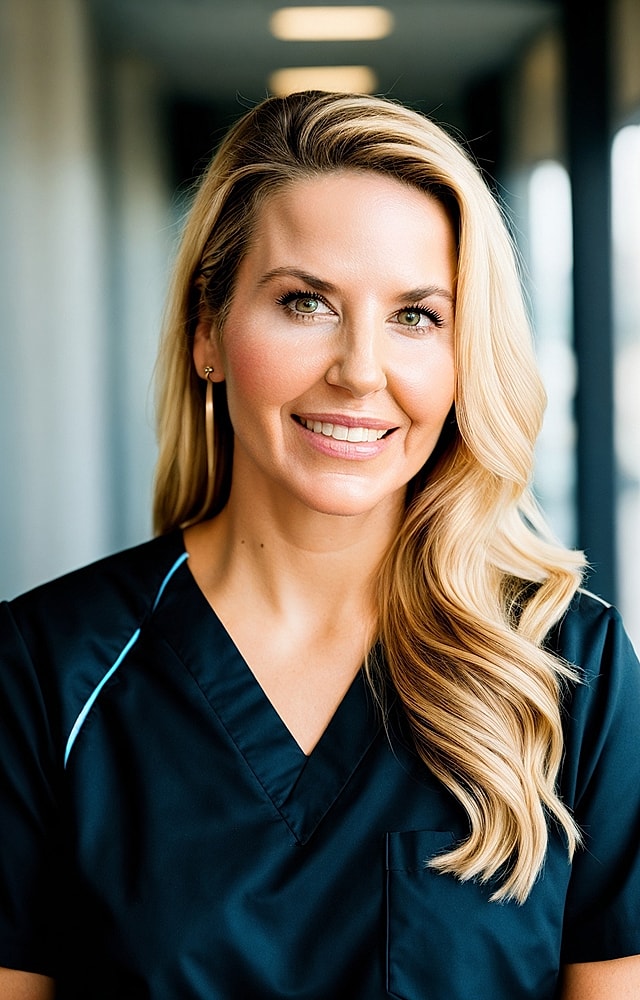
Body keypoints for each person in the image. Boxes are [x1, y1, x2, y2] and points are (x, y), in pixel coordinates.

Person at [1, 90, 639, 1000]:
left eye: (416, 315)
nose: (361, 370)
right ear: (207, 334)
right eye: (305, 302)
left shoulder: (569, 671)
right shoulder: (45, 673)